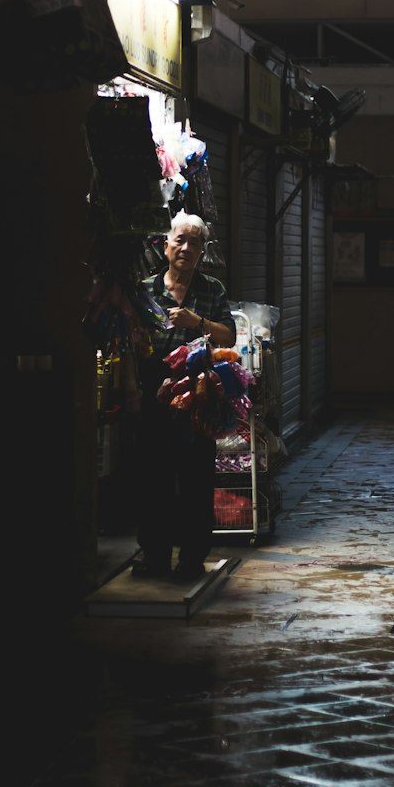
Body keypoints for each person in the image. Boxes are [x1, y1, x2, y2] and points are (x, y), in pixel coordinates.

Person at [131, 213, 236, 581]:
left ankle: (191, 558)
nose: (186, 248)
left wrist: (198, 323)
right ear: (166, 245)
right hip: (154, 393)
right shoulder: (143, 289)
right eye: (180, 240)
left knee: (195, 481)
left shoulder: (212, 290)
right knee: (152, 480)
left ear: (202, 251)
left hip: (198, 397)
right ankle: (154, 555)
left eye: (194, 243)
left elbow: (229, 337)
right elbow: (128, 341)